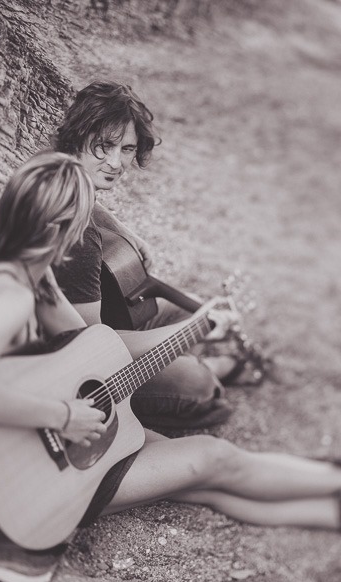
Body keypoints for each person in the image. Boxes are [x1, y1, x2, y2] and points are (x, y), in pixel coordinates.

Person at [0, 151, 341, 537]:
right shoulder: (5, 294)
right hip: (28, 482)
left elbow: (98, 349)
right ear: (54, 224)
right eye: (79, 223)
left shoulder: (35, 279)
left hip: (46, 454)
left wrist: (196, 326)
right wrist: (62, 413)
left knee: (212, 479)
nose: (83, 236)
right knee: (213, 460)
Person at [52, 81, 244, 430]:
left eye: (126, 149)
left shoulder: (57, 174)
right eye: (104, 146)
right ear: (78, 136)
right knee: (200, 386)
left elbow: (90, 201)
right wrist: (190, 330)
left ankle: (203, 359)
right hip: (71, 375)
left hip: (98, 324)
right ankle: (214, 371)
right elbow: (93, 349)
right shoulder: (76, 237)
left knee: (188, 306)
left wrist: (124, 231)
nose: (116, 162)